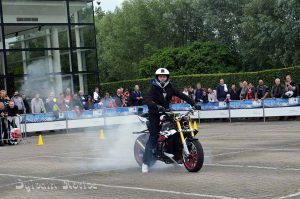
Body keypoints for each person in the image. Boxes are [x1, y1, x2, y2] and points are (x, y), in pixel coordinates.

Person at [142, 68, 196, 173]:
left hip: (167, 112)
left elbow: (180, 94)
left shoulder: (169, 87)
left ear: (167, 77)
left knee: (175, 131)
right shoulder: (153, 88)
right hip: (154, 114)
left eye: (164, 76)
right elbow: (147, 100)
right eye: (160, 76)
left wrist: (193, 103)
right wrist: (156, 106)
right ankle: (145, 163)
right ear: (157, 77)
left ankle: (177, 156)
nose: (162, 78)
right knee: (154, 136)